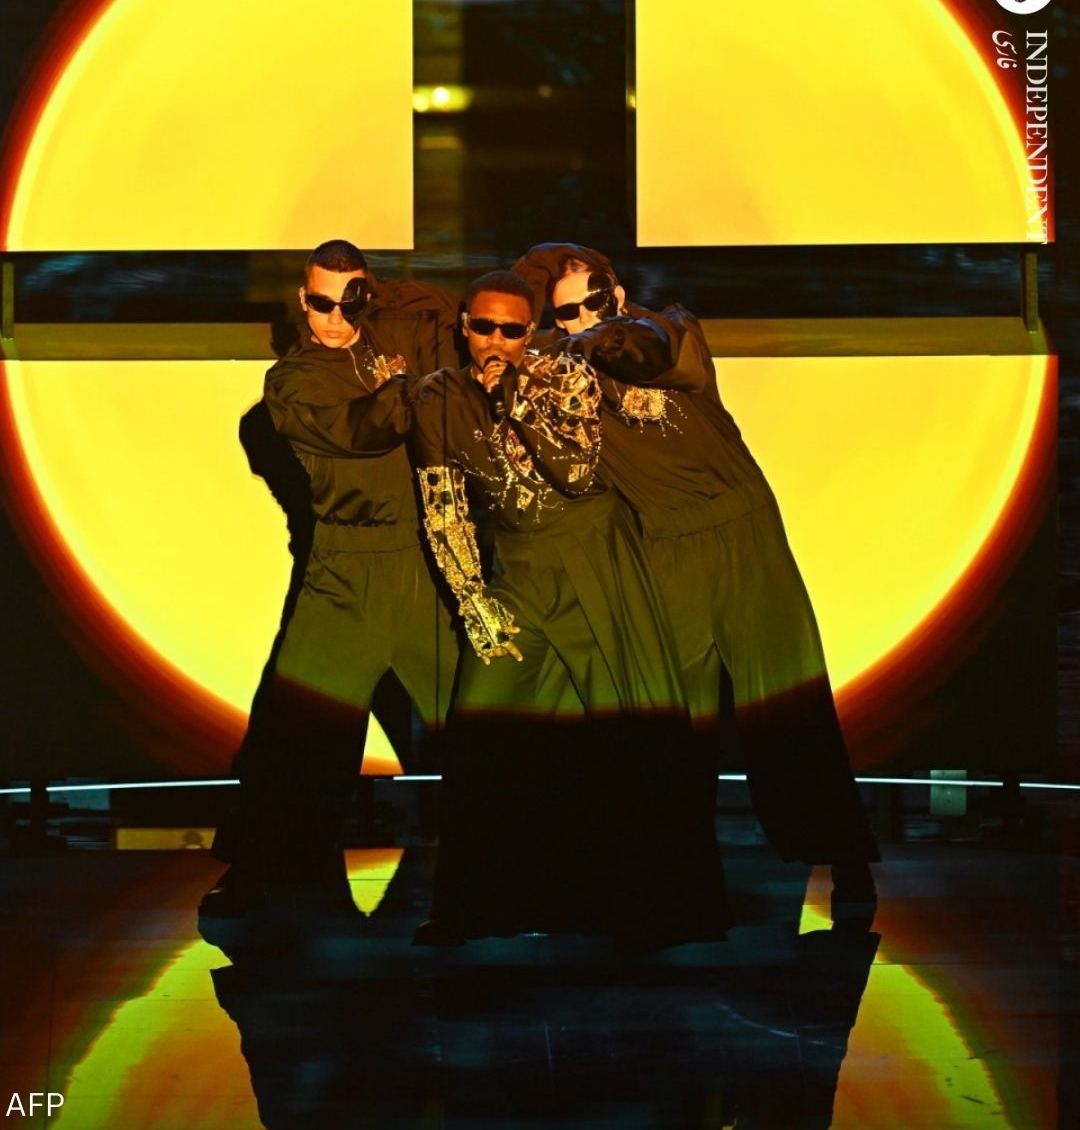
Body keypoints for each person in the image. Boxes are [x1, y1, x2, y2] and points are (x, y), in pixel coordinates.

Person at [513, 243, 878, 913]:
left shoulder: (671, 330)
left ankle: (844, 857)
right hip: (664, 543)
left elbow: (647, 350)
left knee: (786, 699)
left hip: (742, 531)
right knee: (674, 717)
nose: (587, 315)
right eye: (567, 311)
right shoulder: (552, 378)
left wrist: (582, 341)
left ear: (617, 292)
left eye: (597, 299)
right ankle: (677, 875)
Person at [409, 270, 727, 946]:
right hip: (518, 571)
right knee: (482, 729)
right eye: (484, 327)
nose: (496, 342)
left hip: (596, 556)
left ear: (530, 332)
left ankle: (651, 904)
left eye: (512, 330)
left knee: (625, 734)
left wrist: (516, 395)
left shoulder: (563, 375)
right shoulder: (439, 397)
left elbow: (575, 472)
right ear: (465, 327)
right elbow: (443, 505)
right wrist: (471, 598)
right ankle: (471, 904)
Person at [202, 240, 462, 920]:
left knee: (481, 715)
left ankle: (531, 863)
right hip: (343, 569)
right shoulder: (289, 383)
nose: (337, 318)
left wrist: (377, 295)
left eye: (352, 301)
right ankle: (266, 870)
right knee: (299, 729)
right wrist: (411, 388)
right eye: (322, 303)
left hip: (421, 561)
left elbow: (446, 312)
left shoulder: (387, 335)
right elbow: (360, 430)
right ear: (302, 300)